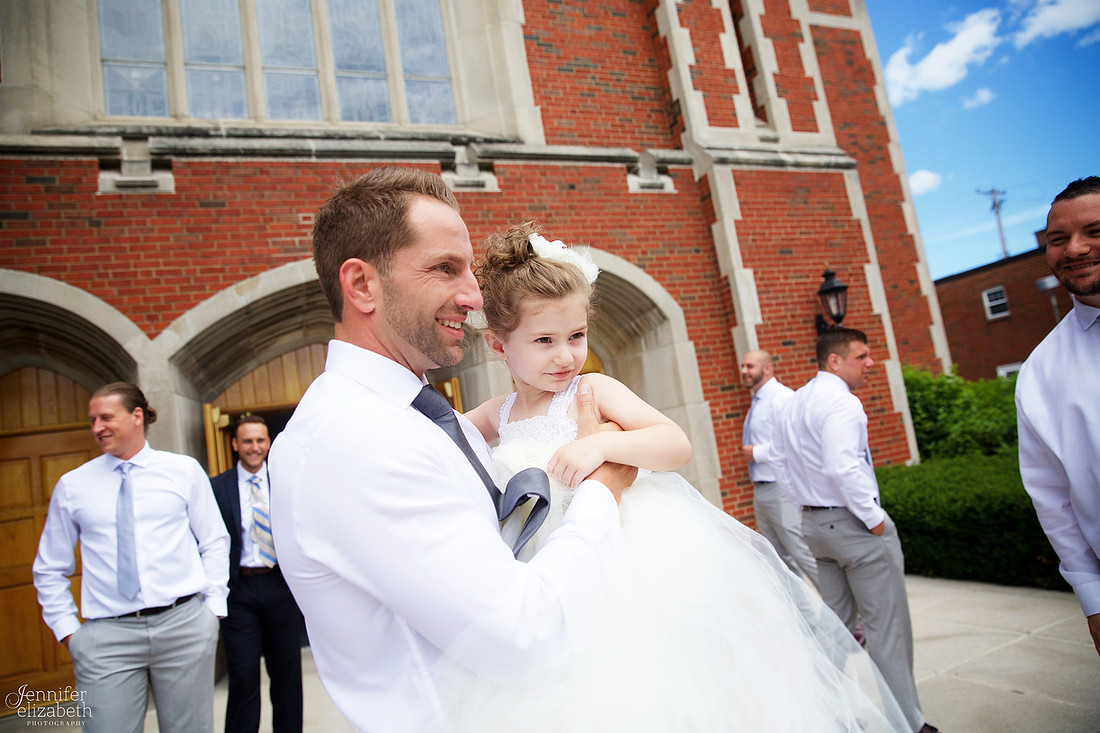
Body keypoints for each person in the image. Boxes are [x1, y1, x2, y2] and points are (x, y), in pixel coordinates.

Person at [451, 223, 910, 732]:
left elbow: (674, 443)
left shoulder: (593, 389)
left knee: (640, 669)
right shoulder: (499, 411)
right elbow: (442, 446)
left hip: (627, 550)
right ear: (497, 344)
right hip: (545, 561)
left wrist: (602, 442)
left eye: (576, 336)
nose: (566, 355)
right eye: (544, 340)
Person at [266, 167, 637, 733]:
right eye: (445, 269)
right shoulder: (355, 437)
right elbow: (524, 634)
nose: (474, 295)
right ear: (362, 285)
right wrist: (603, 487)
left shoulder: (425, 415)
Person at [32, 382, 229, 733]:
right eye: (92, 420)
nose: (97, 428)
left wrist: (212, 610)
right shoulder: (73, 485)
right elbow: (49, 568)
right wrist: (70, 633)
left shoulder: (183, 471)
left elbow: (214, 540)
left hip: (183, 627)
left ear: (137, 416)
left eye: (106, 417)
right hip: (106, 637)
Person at [773, 328, 936, 733]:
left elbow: (778, 463)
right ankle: (909, 725)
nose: (870, 363)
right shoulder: (843, 404)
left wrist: (804, 509)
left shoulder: (793, 403)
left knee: (834, 628)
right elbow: (843, 467)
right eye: (861, 356)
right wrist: (875, 519)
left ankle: (821, 715)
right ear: (835, 361)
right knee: (888, 631)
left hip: (815, 526)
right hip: (854, 525)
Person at [1016, 175, 1100, 656]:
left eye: (1094, 231)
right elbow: (1052, 498)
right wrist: (1092, 600)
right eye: (1058, 239)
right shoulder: (1040, 372)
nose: (1075, 249)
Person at [210, 414, 304, 732]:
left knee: (287, 675)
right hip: (239, 592)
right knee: (243, 675)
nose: (254, 447)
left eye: (260, 440)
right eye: (247, 441)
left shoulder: (285, 482)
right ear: (235, 444)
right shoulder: (216, 488)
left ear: (268, 443)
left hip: (281, 587)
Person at [740, 349, 819, 586]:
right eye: (743, 366)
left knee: (802, 554)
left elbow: (798, 441)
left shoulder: (781, 398)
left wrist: (758, 452)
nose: (744, 371)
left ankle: (844, 616)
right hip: (761, 490)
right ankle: (803, 621)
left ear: (767, 368)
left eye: (750, 366)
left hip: (781, 488)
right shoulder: (758, 401)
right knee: (780, 562)